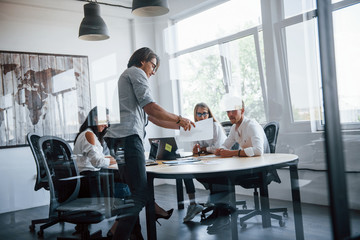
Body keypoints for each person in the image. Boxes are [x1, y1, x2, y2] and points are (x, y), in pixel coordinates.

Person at [105, 47, 195, 240]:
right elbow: (152, 107)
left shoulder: (126, 78)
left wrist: (180, 125)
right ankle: (119, 236)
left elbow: (154, 118)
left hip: (118, 141)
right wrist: (179, 118)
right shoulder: (136, 72)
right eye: (153, 66)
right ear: (142, 61)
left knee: (134, 191)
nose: (153, 72)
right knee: (140, 193)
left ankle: (133, 234)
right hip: (129, 138)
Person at [200, 94, 270, 234]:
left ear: (242, 110)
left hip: (259, 169)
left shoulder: (252, 125)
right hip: (246, 166)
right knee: (214, 175)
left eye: (234, 111)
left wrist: (231, 153)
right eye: (228, 111)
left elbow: (258, 150)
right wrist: (219, 150)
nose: (230, 114)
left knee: (222, 177)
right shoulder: (234, 128)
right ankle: (219, 212)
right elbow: (225, 146)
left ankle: (224, 217)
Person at [182, 102, 227, 223]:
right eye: (199, 114)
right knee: (185, 171)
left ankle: (216, 203)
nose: (202, 117)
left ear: (209, 114)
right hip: (205, 161)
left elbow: (218, 148)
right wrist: (196, 150)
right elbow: (195, 148)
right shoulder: (195, 127)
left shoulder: (215, 126)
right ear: (195, 115)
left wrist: (203, 149)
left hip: (219, 161)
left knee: (213, 176)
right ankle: (193, 204)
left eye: (204, 114)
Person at [73, 106, 117, 198]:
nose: (107, 125)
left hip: (88, 177)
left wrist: (109, 159)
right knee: (124, 181)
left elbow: (98, 158)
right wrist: (115, 160)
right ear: (95, 118)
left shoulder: (89, 134)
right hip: (88, 180)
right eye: (105, 121)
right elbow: (97, 162)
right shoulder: (88, 135)